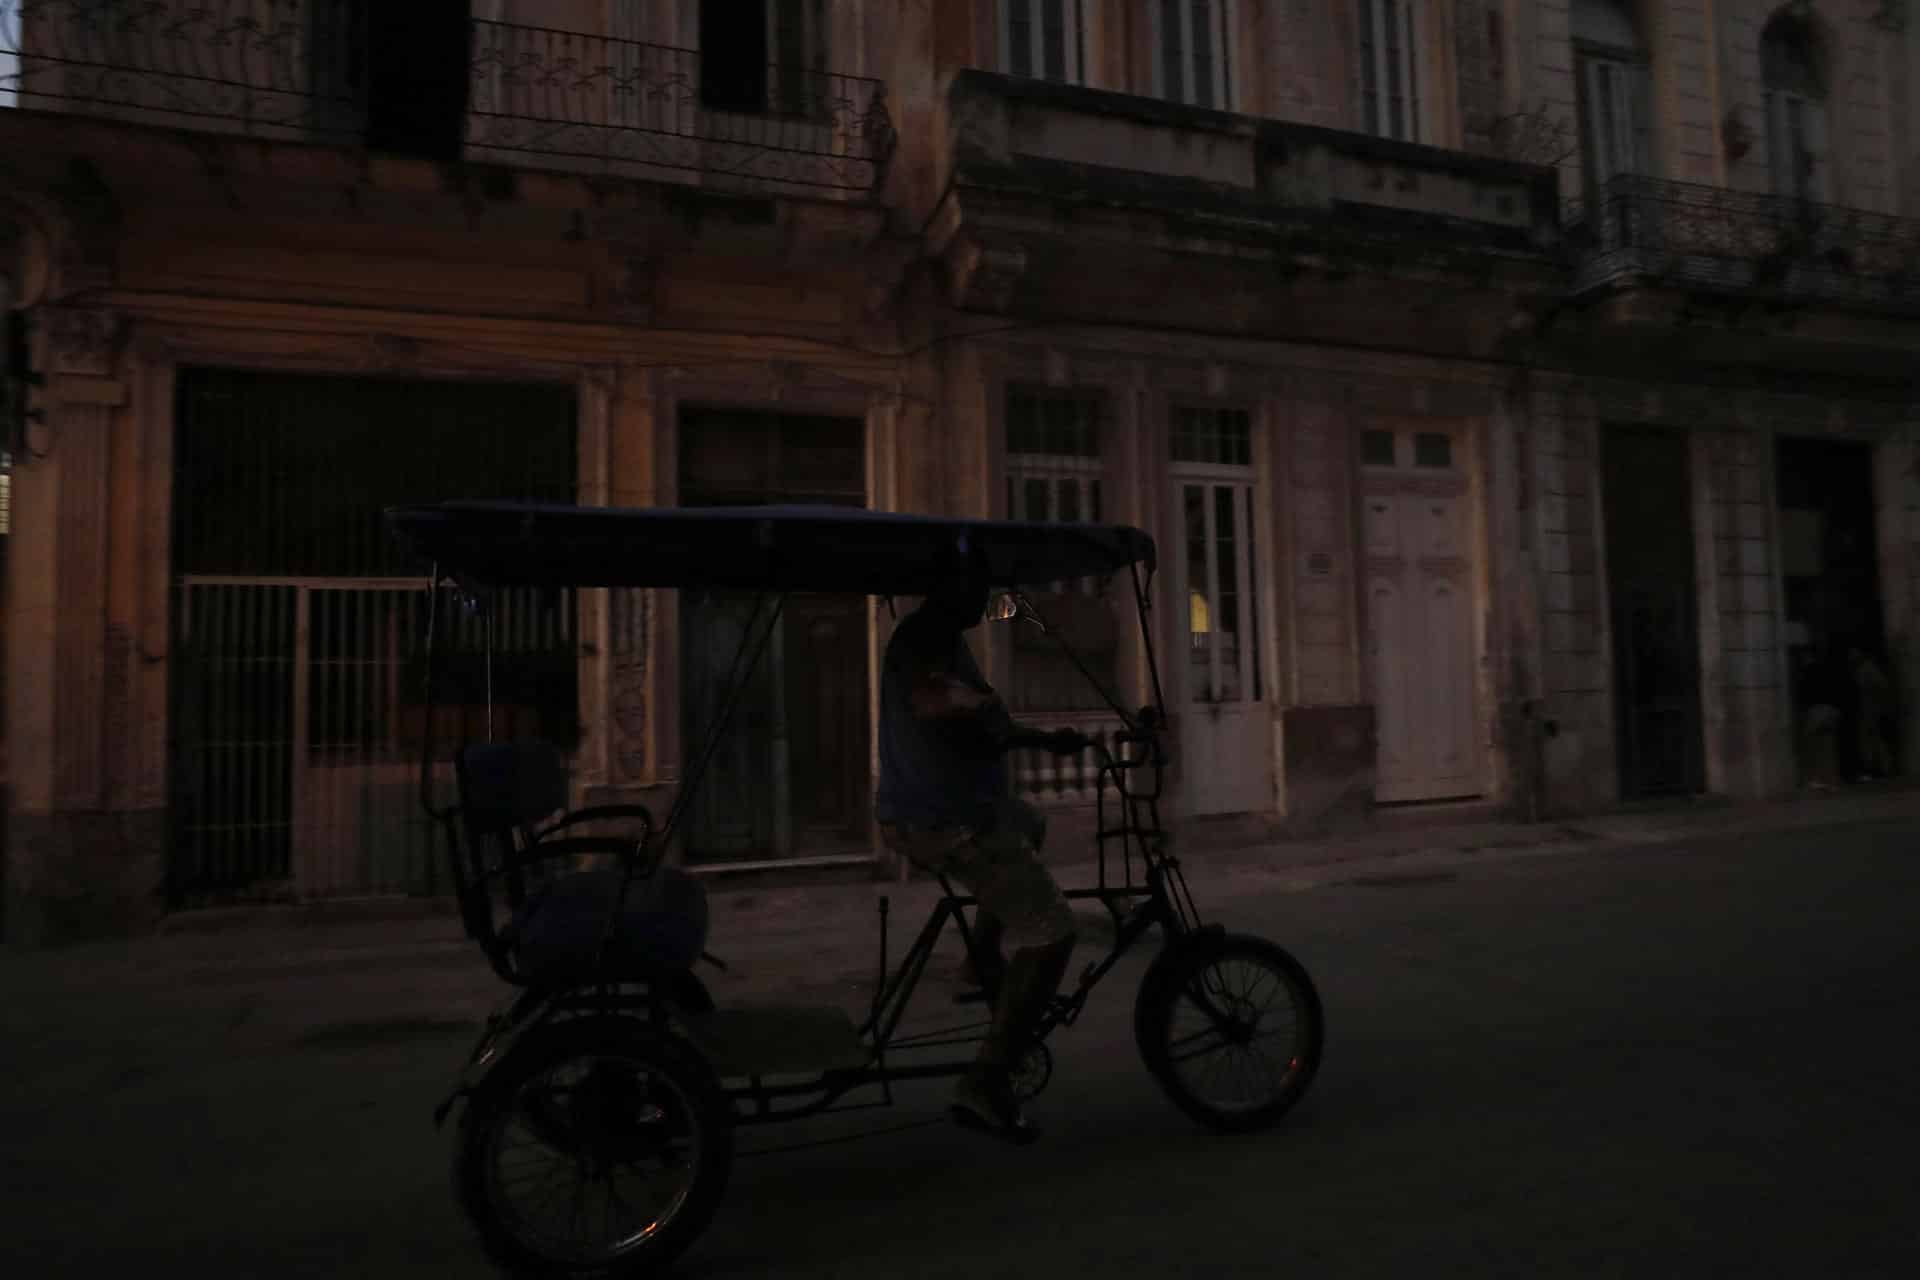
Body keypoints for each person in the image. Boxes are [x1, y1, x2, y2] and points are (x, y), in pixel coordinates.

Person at [875, 552, 1083, 1144]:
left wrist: (1045, 738)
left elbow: (982, 731)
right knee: (1053, 929)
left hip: (965, 808)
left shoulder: (946, 638)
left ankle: (980, 961)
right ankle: (985, 1083)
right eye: (977, 587)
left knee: (1029, 825)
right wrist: (981, 703)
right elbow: (933, 705)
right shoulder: (923, 640)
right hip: (943, 819)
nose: (984, 598)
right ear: (951, 588)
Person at [1849, 646, 1894, 780]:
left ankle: (1884, 768)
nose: (1851, 657)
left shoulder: (1868, 668)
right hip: (1866, 710)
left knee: (1875, 740)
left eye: (1853, 654)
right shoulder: (1859, 670)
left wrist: (1876, 700)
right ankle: (1874, 769)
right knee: (1869, 741)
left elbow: (1882, 685)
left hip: (1872, 710)